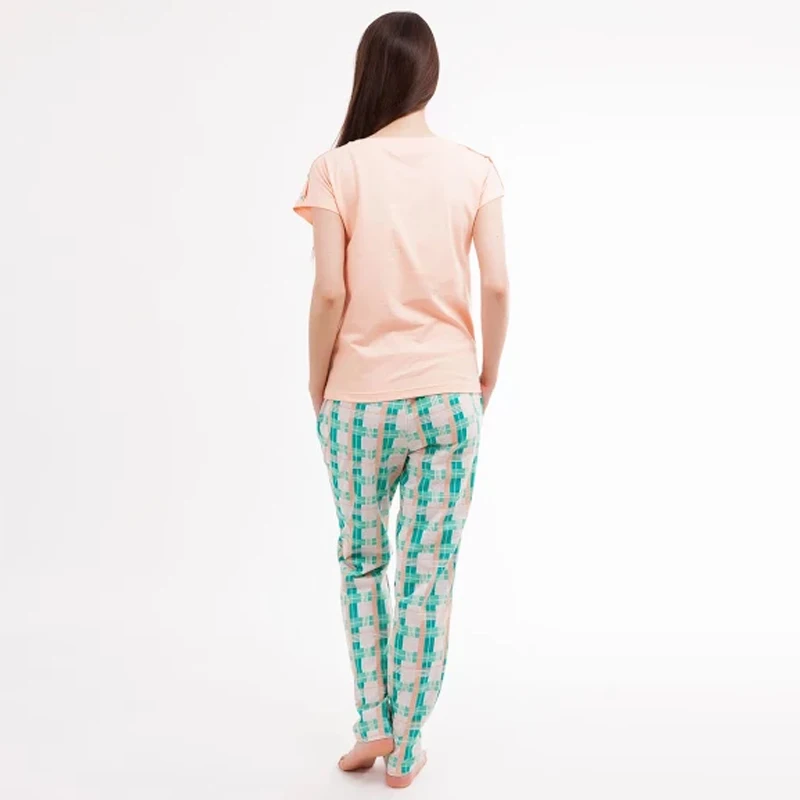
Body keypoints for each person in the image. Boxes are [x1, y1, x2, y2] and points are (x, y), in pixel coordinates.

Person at [292, 10, 509, 789]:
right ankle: (407, 746)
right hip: (450, 395)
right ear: (430, 77)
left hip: (356, 400)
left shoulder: (335, 168)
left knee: (362, 562)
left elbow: (329, 292)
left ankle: (372, 723)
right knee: (428, 575)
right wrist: (485, 373)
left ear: (369, 75)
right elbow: (496, 284)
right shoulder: (475, 170)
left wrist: (317, 382)